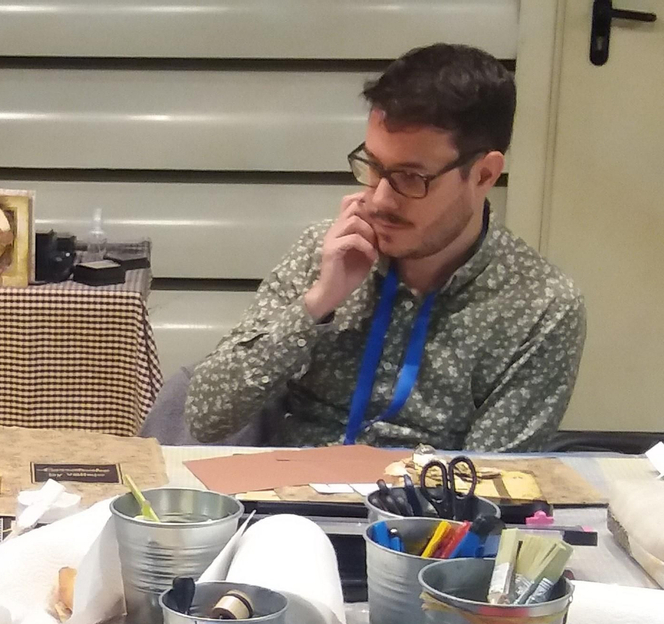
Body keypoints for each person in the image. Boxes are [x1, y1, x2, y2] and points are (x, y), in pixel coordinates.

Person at [187, 44, 585, 452]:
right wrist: (318, 303)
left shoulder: (541, 306)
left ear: (483, 174)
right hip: (291, 498)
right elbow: (205, 419)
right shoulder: (327, 250)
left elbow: (487, 485)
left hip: (424, 509)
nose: (378, 200)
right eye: (373, 166)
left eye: (411, 178)